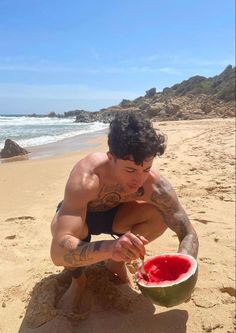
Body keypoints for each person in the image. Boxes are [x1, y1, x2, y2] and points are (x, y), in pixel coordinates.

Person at [50, 111, 199, 312]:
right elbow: (58, 252)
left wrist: (182, 269)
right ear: (111, 158)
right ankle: (79, 281)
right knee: (65, 232)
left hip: (117, 216)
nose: (139, 180)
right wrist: (111, 247)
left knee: (158, 215)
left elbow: (188, 232)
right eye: (130, 170)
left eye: (146, 169)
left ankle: (116, 263)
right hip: (83, 216)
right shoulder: (87, 178)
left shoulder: (154, 184)